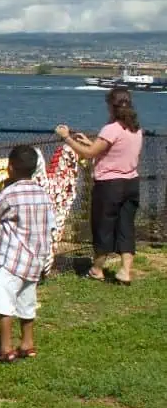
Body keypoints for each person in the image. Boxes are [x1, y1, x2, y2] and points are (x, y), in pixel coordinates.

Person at [55, 87, 144, 285]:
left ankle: (97, 269)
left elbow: (89, 154)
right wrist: (91, 142)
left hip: (110, 185)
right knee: (125, 227)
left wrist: (67, 137)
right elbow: (113, 150)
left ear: (111, 106)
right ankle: (125, 271)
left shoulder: (111, 129)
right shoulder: (135, 128)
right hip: (131, 182)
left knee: (104, 226)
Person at [0, 145, 55, 363]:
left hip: (11, 260)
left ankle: (5, 348)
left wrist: (2, 190)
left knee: (4, 304)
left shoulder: (11, 193)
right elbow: (50, 223)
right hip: (34, 259)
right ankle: (27, 343)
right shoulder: (42, 193)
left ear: (10, 168)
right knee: (27, 302)